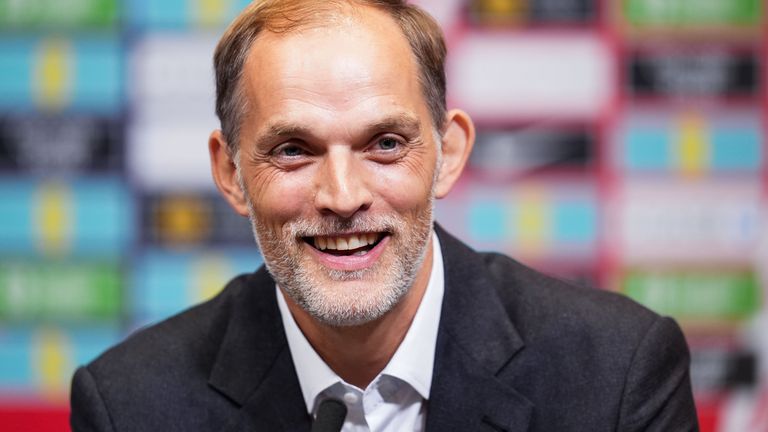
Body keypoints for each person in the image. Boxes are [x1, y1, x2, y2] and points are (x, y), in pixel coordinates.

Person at [70, 1, 699, 431]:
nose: (343, 196)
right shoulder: (131, 406)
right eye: (293, 150)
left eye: (385, 144)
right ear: (231, 172)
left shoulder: (617, 374)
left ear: (447, 155)